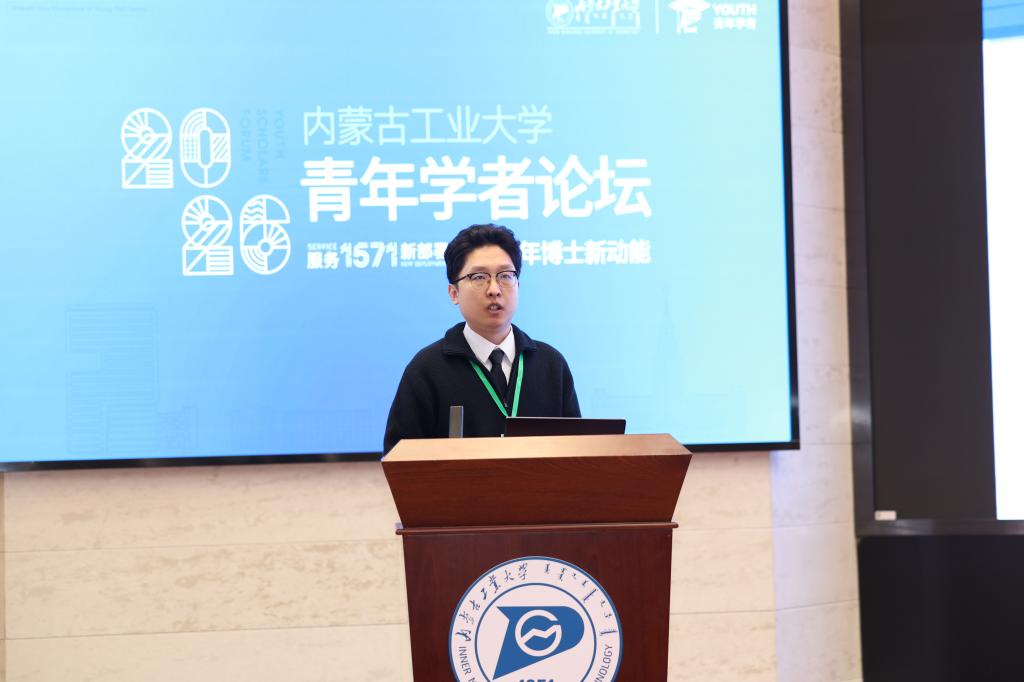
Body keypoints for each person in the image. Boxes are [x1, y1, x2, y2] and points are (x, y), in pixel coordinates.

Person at [383, 223, 580, 453]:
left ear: (518, 285)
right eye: (479, 277)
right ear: (454, 293)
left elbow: (576, 452)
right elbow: (399, 457)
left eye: (505, 276)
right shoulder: (426, 369)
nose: (494, 289)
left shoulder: (551, 364)